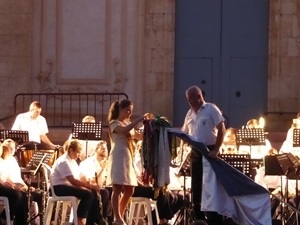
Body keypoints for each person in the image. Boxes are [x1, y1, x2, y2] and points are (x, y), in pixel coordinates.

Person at [181, 86, 226, 224]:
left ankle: (215, 219)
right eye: (189, 100)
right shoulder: (189, 114)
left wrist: (216, 150)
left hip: (210, 151)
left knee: (211, 188)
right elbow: (185, 132)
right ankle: (199, 219)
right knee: (196, 186)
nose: (191, 102)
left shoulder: (211, 109)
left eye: (193, 99)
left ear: (199, 97)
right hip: (196, 152)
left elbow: (222, 129)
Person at [106, 99, 146, 225]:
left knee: (130, 189)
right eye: (127, 110)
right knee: (117, 187)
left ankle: (120, 216)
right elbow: (123, 131)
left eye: (131, 111)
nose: (129, 113)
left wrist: (149, 128)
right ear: (120, 110)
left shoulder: (127, 123)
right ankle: (117, 217)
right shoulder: (114, 123)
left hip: (127, 156)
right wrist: (137, 120)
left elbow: (138, 136)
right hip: (118, 154)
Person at [50, 139, 104, 225]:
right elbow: (72, 181)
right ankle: (79, 220)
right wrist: (88, 186)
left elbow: (79, 177)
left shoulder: (72, 161)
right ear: (71, 150)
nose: (78, 155)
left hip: (67, 186)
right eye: (78, 152)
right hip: (59, 188)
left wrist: (91, 184)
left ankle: (92, 220)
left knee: (94, 192)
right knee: (88, 194)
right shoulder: (64, 161)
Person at [79, 140, 110, 223]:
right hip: (90, 186)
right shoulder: (88, 163)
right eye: (102, 148)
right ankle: (97, 219)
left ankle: (108, 219)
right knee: (104, 192)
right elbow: (95, 182)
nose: (105, 151)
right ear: (96, 150)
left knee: (115, 192)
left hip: (103, 185)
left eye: (106, 149)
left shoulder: (107, 162)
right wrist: (103, 169)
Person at [0, 140, 28, 225]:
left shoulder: (2, 161)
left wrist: (12, 185)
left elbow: (6, 176)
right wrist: (3, 183)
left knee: (23, 195)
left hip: (3, 185)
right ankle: (4, 216)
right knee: (16, 195)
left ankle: (21, 222)